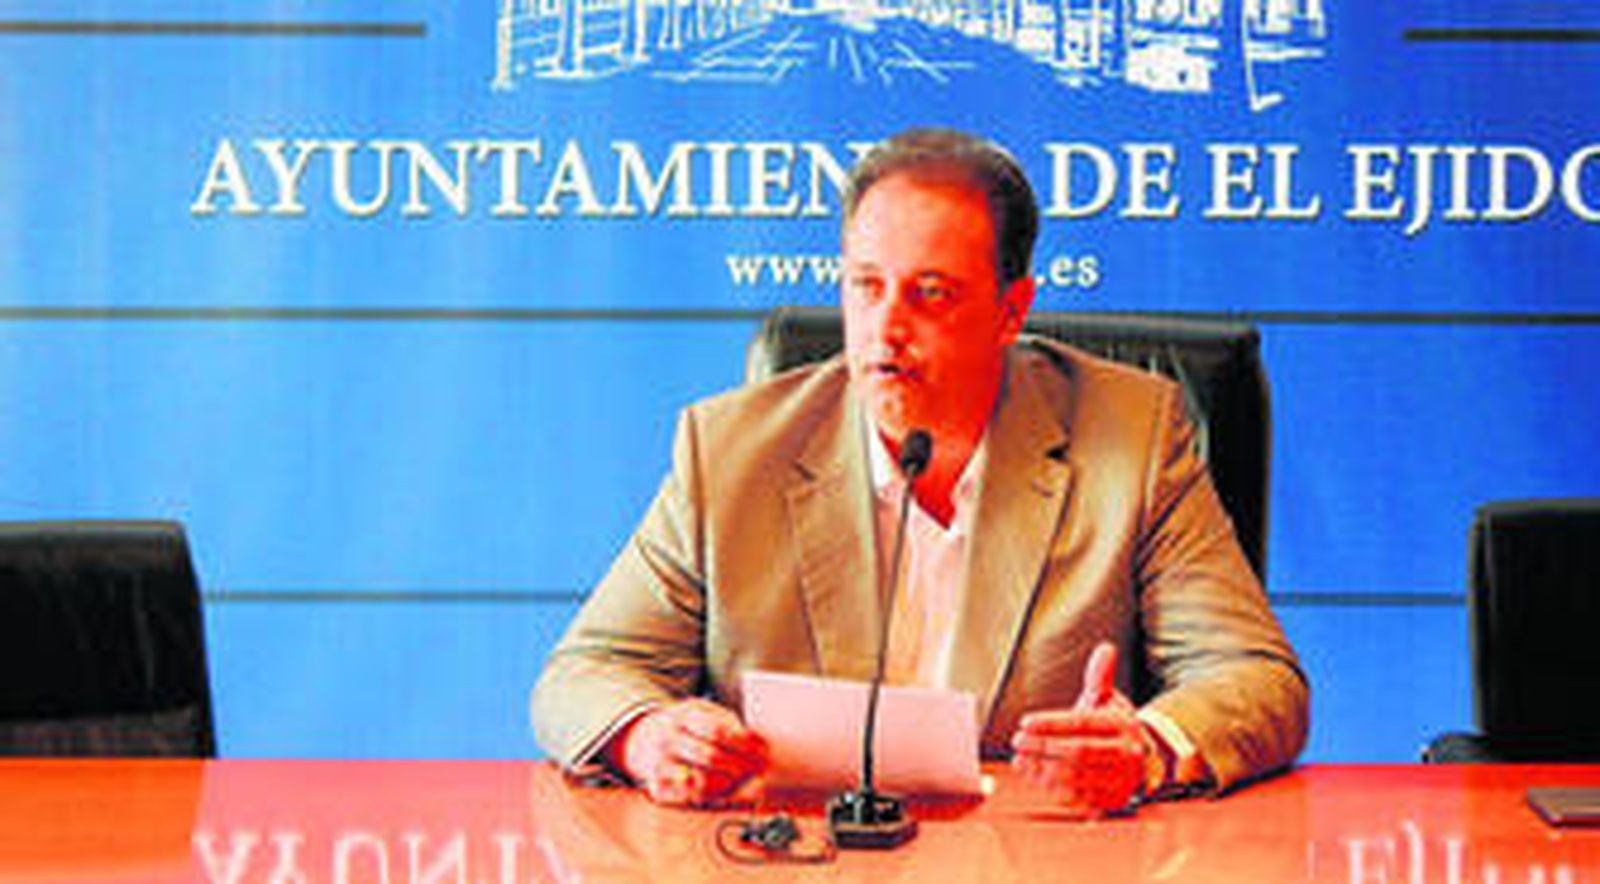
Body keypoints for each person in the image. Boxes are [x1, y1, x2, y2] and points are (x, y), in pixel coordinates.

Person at [532, 127, 1308, 815]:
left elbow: (1257, 679)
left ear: (1011, 311)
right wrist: (648, 735)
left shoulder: (1132, 440)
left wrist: (1147, 748)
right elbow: (585, 673)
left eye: (930, 294)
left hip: (1037, 862)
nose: (886, 328)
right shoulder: (730, 452)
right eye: (866, 287)